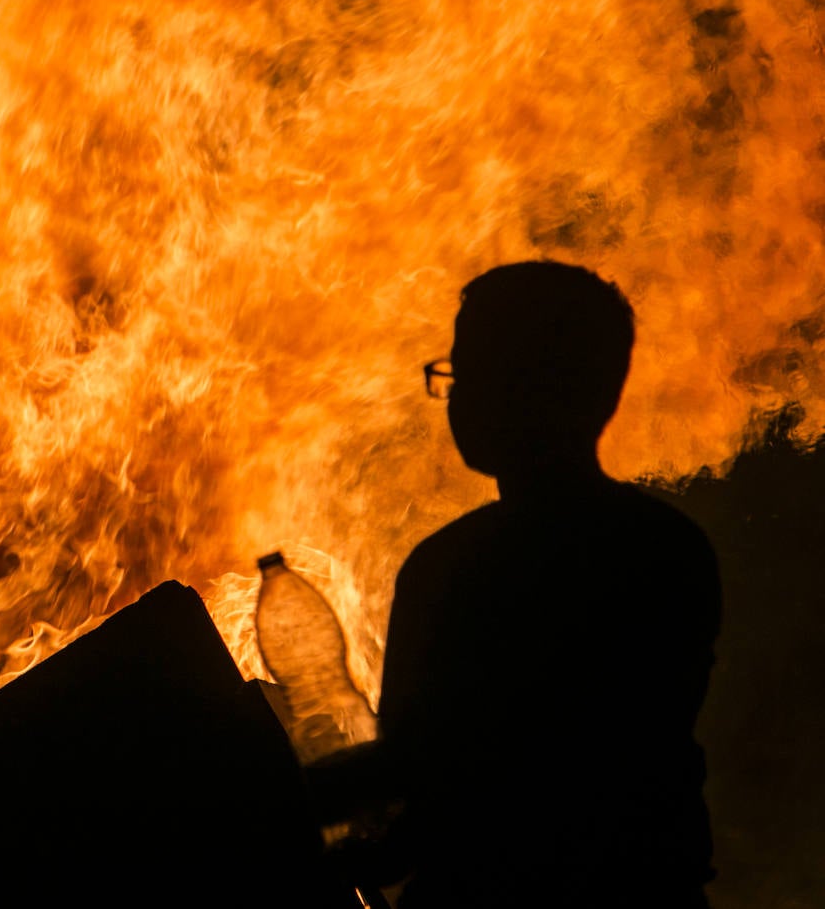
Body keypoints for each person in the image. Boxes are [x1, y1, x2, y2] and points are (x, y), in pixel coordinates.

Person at [306, 261, 721, 908]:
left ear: (531, 385)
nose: (456, 395)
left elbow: (424, 774)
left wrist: (286, 802)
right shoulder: (670, 547)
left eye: (470, 372)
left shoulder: (454, 568)